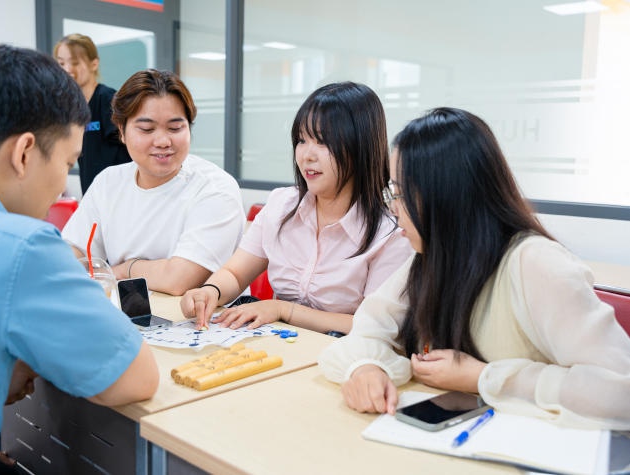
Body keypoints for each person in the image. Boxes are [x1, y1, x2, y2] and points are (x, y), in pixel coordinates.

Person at [0, 45, 159, 474]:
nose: (60, 187)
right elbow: (136, 379)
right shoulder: (19, 245)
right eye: (67, 163)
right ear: (24, 152)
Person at [318, 107, 630, 429]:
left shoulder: (534, 263)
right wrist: (366, 368)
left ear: (445, 192)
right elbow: (369, 326)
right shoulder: (431, 256)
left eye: (399, 192)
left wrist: (484, 376)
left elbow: (620, 392)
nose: (393, 207)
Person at [181, 82, 413, 335]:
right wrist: (209, 291)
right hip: (277, 347)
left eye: (323, 142)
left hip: (342, 359)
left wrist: (284, 311)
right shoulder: (282, 205)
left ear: (360, 147)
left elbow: (373, 325)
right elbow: (235, 274)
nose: (306, 156)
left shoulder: (391, 232)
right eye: (302, 140)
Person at [62, 69, 245, 296]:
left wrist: (123, 269)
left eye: (175, 128)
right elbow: (73, 252)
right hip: (131, 312)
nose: (162, 141)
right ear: (121, 131)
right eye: (147, 129)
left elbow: (178, 280)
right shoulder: (108, 182)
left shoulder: (214, 188)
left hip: (203, 324)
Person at [54, 33, 131, 193]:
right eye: (61, 63)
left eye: (75, 63)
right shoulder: (72, 108)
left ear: (94, 64)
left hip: (119, 193)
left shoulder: (108, 100)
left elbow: (132, 149)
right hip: (91, 194)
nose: (67, 69)